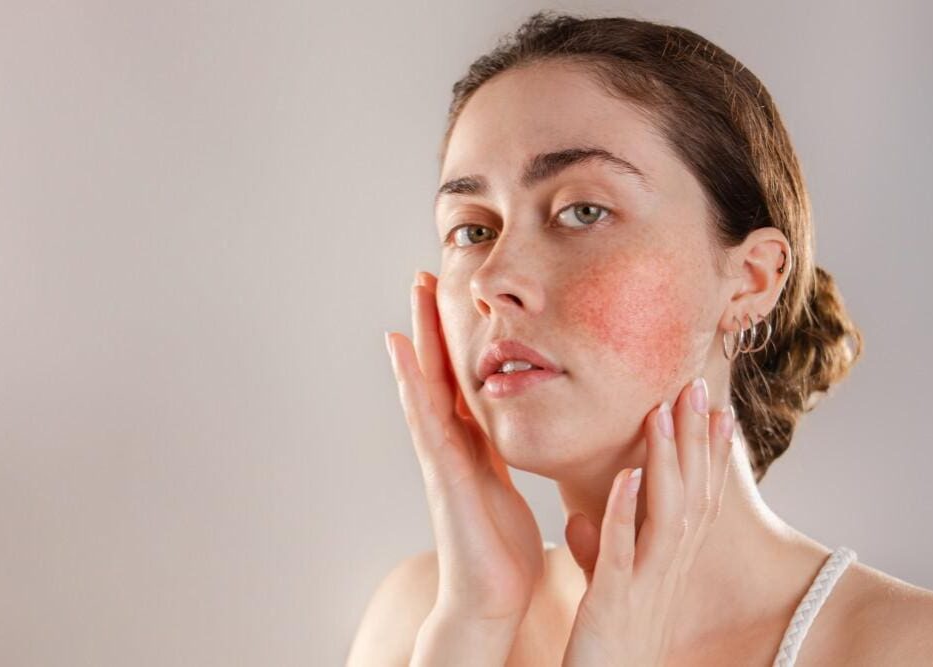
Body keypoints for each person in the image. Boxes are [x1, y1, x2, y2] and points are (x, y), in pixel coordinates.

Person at [348, 11, 933, 666]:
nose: (493, 278)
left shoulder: (905, 646)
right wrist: (475, 619)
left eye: (583, 210)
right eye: (472, 228)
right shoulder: (422, 618)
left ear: (749, 279)